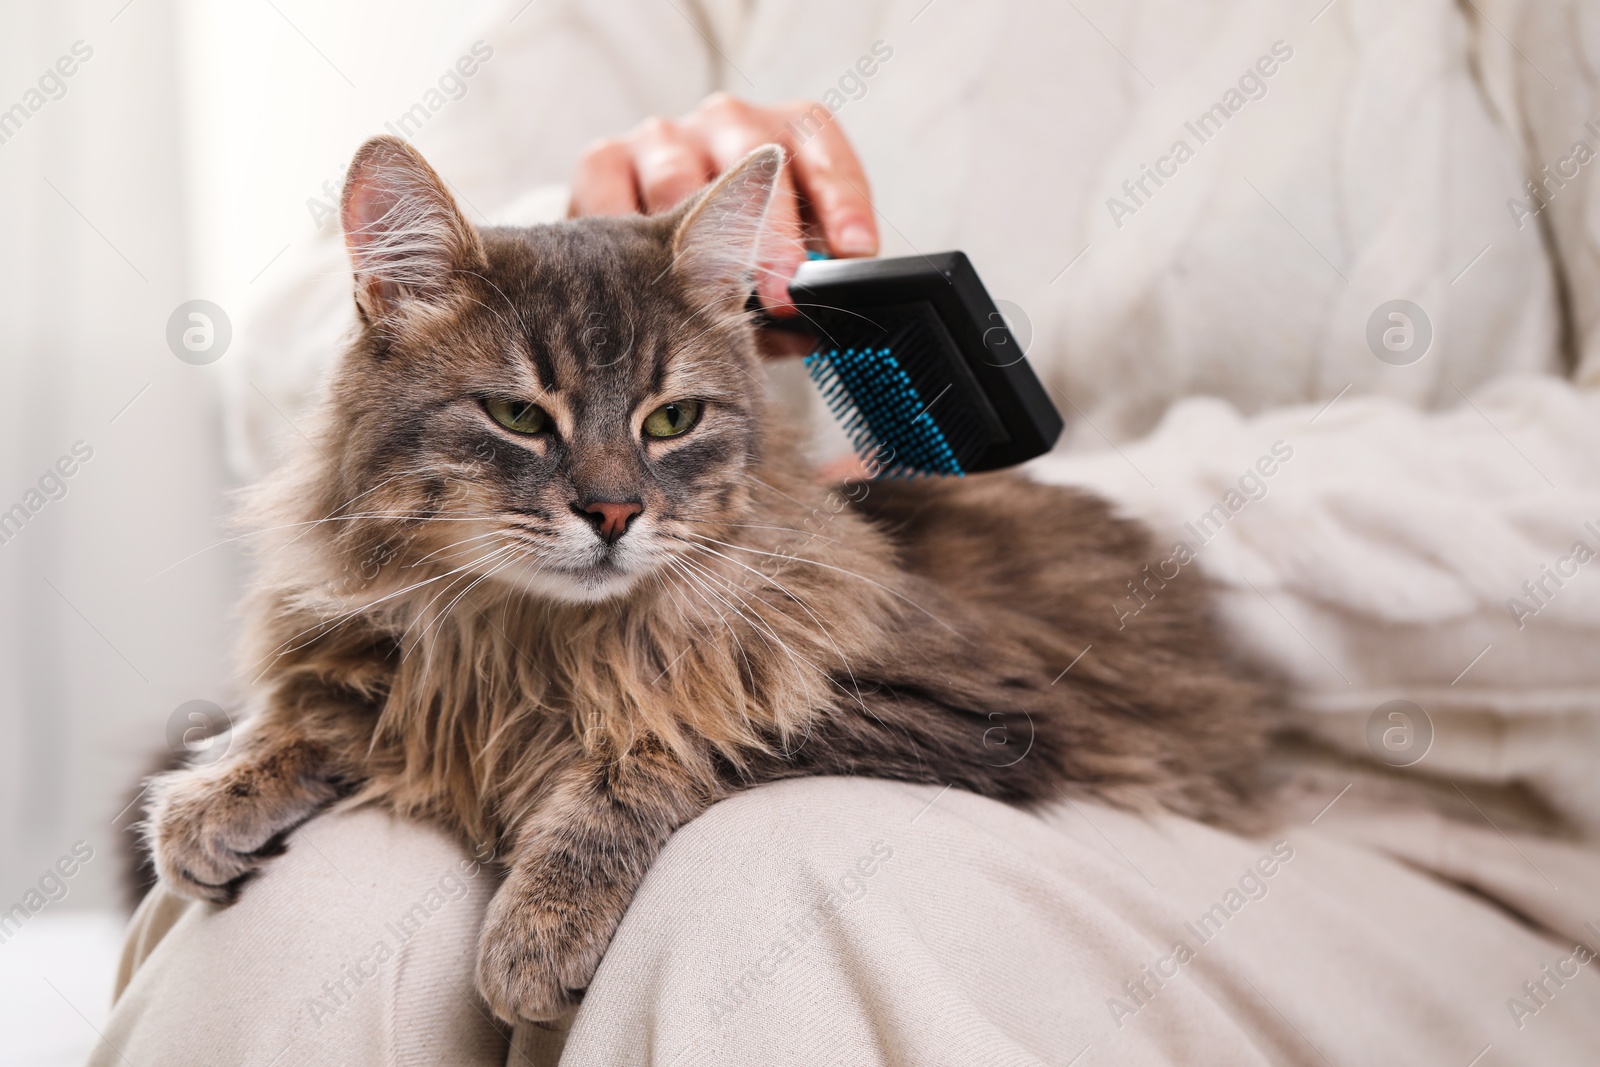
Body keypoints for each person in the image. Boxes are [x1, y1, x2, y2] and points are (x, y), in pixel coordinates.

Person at [95, 1, 1600, 1063]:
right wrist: (575, 260)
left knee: (785, 899)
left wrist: (1026, 533)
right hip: (587, 652)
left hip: (1367, 796)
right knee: (307, 923)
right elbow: (308, 331)